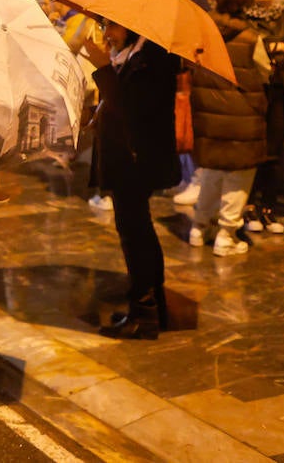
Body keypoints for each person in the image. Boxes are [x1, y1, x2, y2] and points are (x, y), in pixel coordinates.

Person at [81, 19, 182, 338]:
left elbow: (133, 108)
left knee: (136, 233)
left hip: (137, 160)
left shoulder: (154, 57)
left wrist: (101, 68)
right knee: (137, 230)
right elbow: (121, 101)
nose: (107, 34)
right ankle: (153, 307)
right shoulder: (133, 55)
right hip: (128, 158)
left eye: (112, 26)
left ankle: (145, 314)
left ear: (134, 26)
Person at [188, 0, 270, 257]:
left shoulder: (202, 31)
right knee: (239, 174)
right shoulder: (250, 37)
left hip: (208, 116)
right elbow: (264, 71)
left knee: (211, 171)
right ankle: (226, 234)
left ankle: (199, 228)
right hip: (243, 116)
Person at [244, 0, 284, 235]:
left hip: (281, 91)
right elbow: (246, 50)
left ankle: (269, 207)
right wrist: (279, 46)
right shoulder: (243, 19)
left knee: (273, 152)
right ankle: (247, 207)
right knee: (251, 150)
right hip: (253, 91)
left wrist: (270, 47)